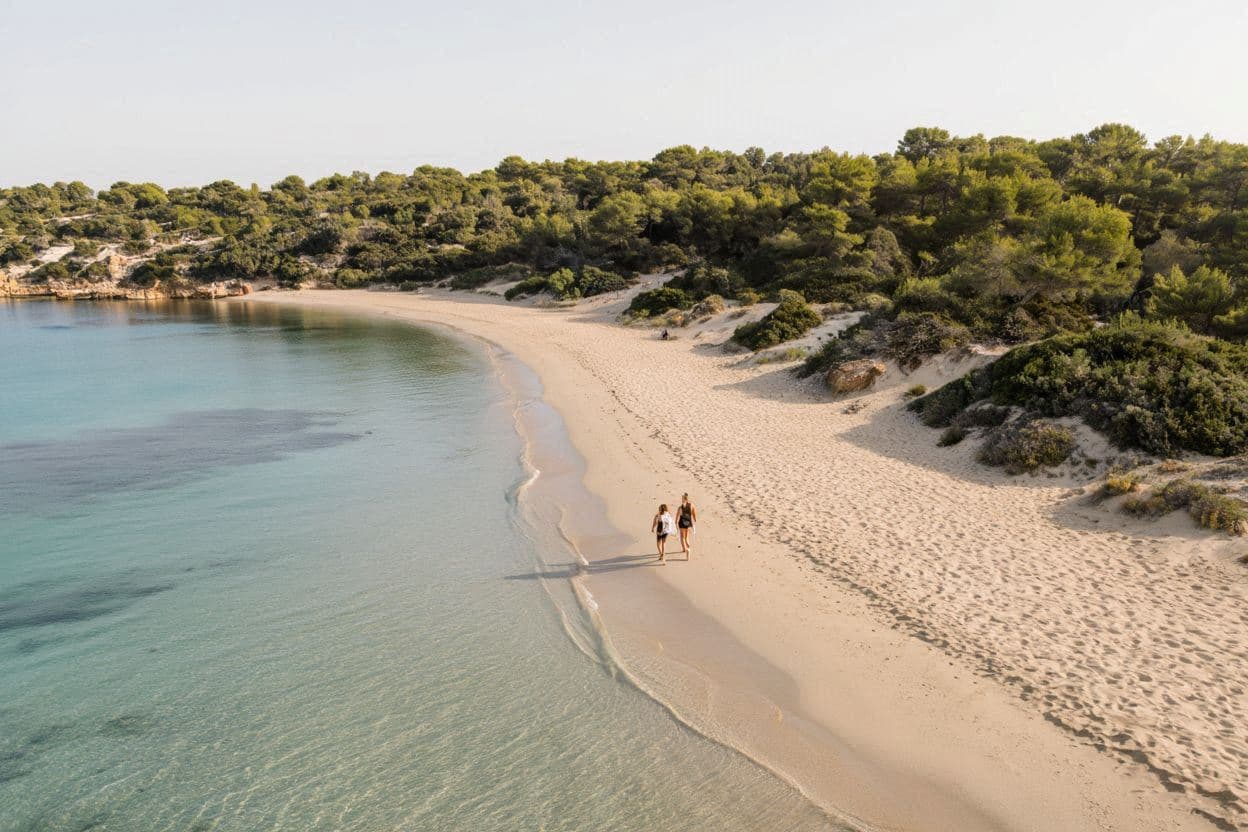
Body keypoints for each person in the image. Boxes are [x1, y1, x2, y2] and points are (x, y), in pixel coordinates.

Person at [676, 493, 697, 557]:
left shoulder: (680, 507)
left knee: (682, 536)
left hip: (681, 523)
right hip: (688, 523)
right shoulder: (692, 505)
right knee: (686, 537)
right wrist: (695, 520)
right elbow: (694, 514)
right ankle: (688, 548)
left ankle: (684, 549)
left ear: (683, 499)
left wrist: (675, 522)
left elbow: (677, 516)